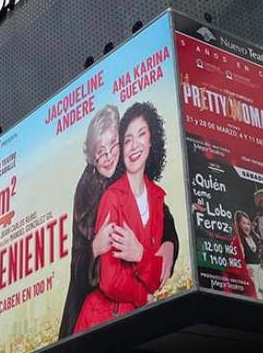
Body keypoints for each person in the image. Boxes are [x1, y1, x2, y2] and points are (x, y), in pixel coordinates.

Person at [59, 105, 178, 338]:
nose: (108, 155)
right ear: (92, 157)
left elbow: (161, 213)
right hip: (94, 310)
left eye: (113, 144)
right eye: (99, 151)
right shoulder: (88, 192)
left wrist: (169, 243)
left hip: (128, 310)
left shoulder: (131, 168)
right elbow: (97, 274)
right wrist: (94, 248)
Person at [221, 210, 256, 297]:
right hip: (246, 279)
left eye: (248, 223)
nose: (247, 226)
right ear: (238, 225)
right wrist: (245, 269)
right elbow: (233, 265)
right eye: (244, 223)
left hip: (258, 276)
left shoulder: (254, 238)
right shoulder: (236, 242)